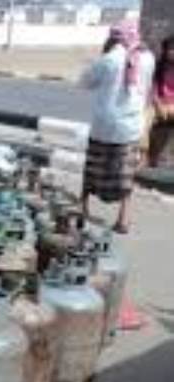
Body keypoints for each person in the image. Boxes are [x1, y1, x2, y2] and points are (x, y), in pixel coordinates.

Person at [79, 20, 155, 234]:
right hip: (130, 127)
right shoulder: (148, 58)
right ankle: (123, 218)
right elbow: (146, 88)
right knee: (125, 174)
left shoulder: (109, 59)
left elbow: (84, 82)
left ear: (113, 38)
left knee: (93, 169)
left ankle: (82, 208)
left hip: (104, 127)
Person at [147, 35, 174, 168]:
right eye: (170, 49)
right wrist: (158, 104)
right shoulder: (158, 67)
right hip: (159, 104)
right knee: (144, 122)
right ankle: (147, 158)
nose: (172, 52)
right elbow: (153, 89)